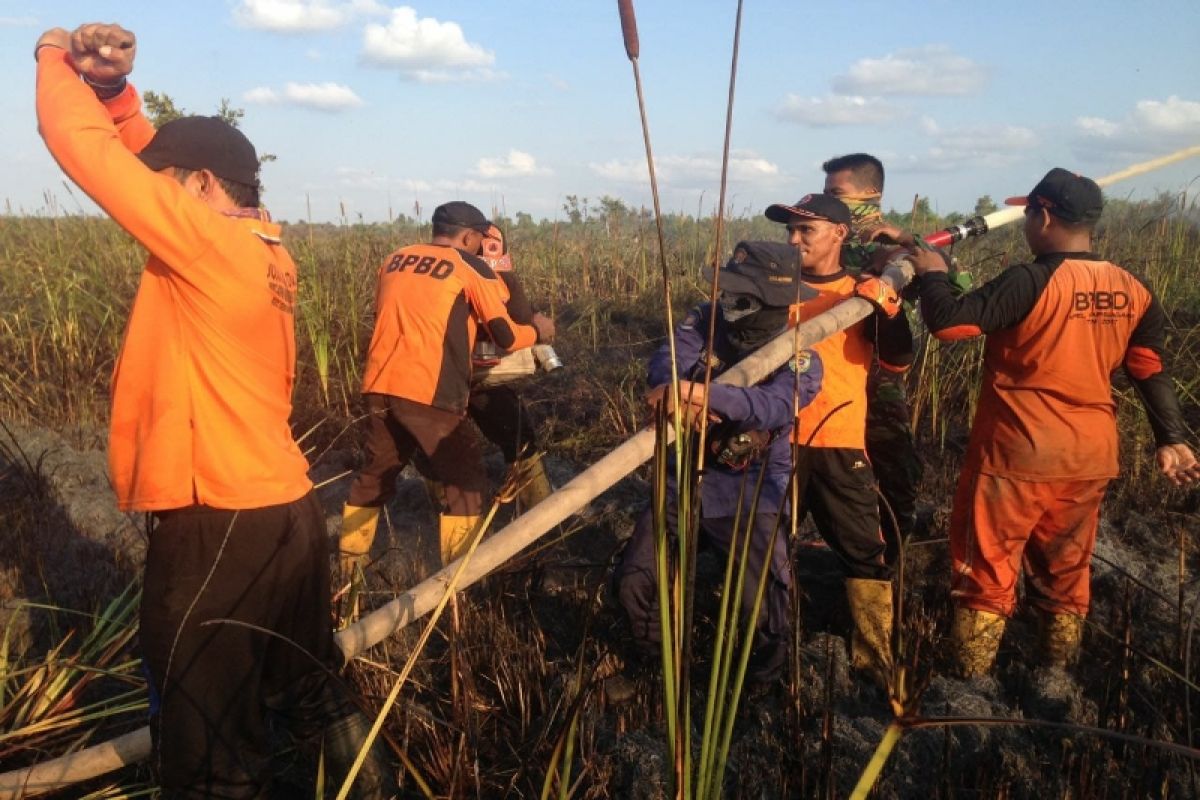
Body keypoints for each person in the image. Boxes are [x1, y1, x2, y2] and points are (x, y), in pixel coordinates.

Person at [34, 22, 395, 798]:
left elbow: (84, 151)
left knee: (207, 756)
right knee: (311, 690)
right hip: (286, 515)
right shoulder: (264, 251)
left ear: (198, 188)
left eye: (163, 185)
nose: (148, 200)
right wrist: (113, 91)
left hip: (217, 527)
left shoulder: (205, 246)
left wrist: (53, 55)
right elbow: (135, 155)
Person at [909, 168, 1200, 676]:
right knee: (1066, 569)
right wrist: (1171, 438)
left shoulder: (1031, 279)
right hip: (1088, 458)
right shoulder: (1132, 287)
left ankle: (970, 685)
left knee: (988, 568)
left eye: (1027, 214)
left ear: (1043, 215)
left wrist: (933, 273)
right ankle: (1054, 678)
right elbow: (1148, 367)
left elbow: (951, 323)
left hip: (1016, 456)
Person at [615, 241, 823, 683]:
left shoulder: (802, 352)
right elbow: (669, 357)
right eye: (726, 288)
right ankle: (656, 667)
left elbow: (775, 406)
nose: (727, 300)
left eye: (739, 294)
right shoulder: (704, 318)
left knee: (760, 601)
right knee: (635, 579)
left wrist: (703, 395)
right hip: (681, 484)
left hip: (749, 492)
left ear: (773, 300)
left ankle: (759, 687)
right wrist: (672, 388)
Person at [338, 202, 552, 580]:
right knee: (467, 480)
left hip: (379, 385)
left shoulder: (394, 259)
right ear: (470, 237)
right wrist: (539, 332)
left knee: (375, 475)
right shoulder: (470, 266)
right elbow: (507, 332)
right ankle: (458, 586)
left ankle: (347, 575)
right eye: (480, 239)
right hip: (429, 389)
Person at [764, 193, 914, 687]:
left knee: (863, 553)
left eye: (806, 230)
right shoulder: (771, 288)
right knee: (761, 547)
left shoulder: (859, 293)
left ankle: (874, 662)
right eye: (790, 230)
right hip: (775, 441)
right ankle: (765, 650)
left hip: (839, 438)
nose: (794, 239)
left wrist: (889, 310)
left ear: (839, 235)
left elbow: (897, 360)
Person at [822, 154, 924, 549]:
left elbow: (950, 279)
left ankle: (896, 545)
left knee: (889, 454)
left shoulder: (893, 244)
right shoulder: (829, 237)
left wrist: (904, 243)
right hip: (832, 367)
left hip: (880, 372)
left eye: (837, 193)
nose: (829, 201)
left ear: (871, 195)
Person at [467, 225, 556, 509]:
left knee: (435, 458)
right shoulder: (483, 272)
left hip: (423, 377)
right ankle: (538, 524)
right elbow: (514, 318)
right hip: (456, 377)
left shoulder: (435, 266)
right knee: (516, 436)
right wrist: (536, 328)